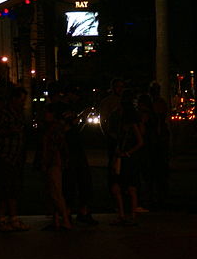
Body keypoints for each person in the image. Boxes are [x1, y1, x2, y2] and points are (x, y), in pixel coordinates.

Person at [51, 83, 98, 225]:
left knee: (83, 179)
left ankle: (80, 209)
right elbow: (63, 127)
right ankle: (68, 210)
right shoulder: (60, 109)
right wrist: (79, 118)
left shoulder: (71, 108)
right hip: (67, 148)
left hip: (75, 146)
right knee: (69, 180)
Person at [0, 85, 30, 232]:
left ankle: (13, 218)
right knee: (3, 188)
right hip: (4, 156)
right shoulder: (2, 113)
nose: (23, 103)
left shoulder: (20, 114)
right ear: (13, 99)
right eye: (21, 100)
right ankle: (2, 219)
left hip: (16, 157)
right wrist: (7, 131)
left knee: (13, 189)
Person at [107, 88, 144, 226]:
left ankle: (126, 215)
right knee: (126, 187)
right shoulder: (126, 122)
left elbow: (140, 141)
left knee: (124, 187)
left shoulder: (128, 124)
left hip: (127, 157)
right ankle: (128, 215)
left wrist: (127, 152)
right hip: (126, 157)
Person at [40, 104, 72, 231]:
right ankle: (58, 220)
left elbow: (53, 147)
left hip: (54, 162)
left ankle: (64, 218)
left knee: (55, 192)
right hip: (54, 162)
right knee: (53, 191)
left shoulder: (54, 128)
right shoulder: (53, 127)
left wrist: (45, 160)